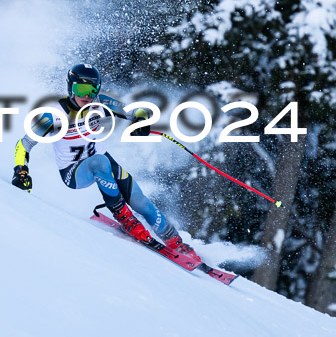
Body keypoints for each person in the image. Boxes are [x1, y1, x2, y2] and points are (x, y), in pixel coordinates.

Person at [11, 63, 200, 260]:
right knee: (99, 161)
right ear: (70, 88)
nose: (87, 96)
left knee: (141, 201)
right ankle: (124, 218)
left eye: (92, 89)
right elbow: (23, 144)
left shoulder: (100, 102)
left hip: (104, 163)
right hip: (74, 172)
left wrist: (141, 122)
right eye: (80, 89)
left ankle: (175, 242)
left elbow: (135, 111)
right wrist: (20, 171)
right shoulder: (54, 114)